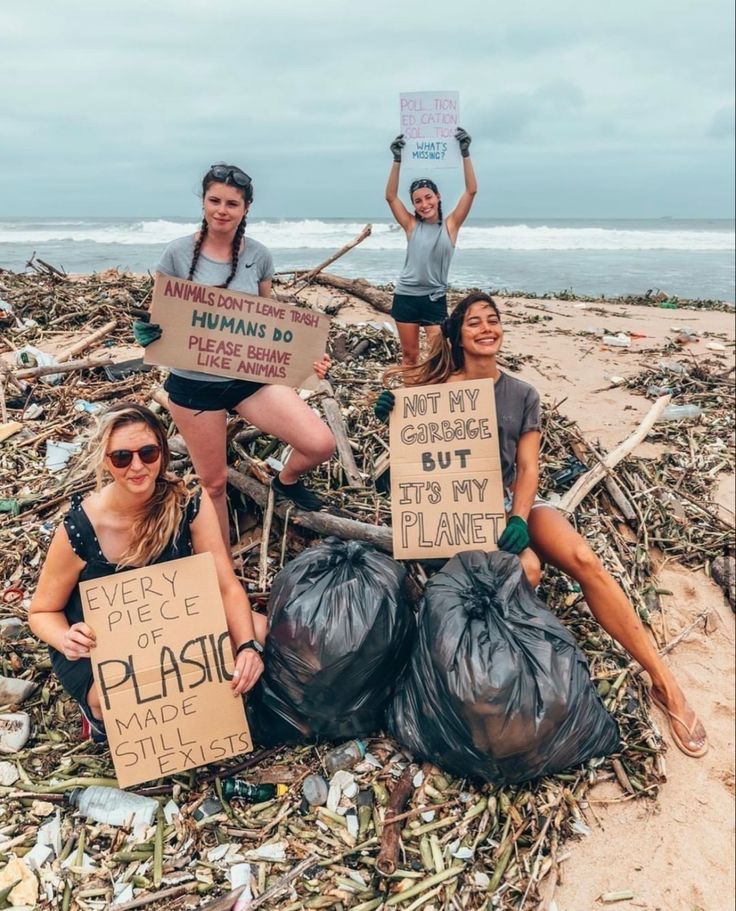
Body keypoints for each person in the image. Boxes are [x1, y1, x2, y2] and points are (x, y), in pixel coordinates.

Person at [374, 292, 708, 759]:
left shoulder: (522, 393)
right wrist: (394, 411)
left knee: (582, 558)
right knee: (526, 569)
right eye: (474, 323)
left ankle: (663, 682)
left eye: (493, 320)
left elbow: (528, 468)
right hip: (461, 513)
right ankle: (513, 669)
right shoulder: (434, 393)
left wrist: (517, 517)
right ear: (456, 336)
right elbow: (412, 469)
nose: (487, 328)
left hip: (513, 502)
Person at [28, 403, 267, 742]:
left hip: (175, 630)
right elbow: (41, 611)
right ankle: (97, 715)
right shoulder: (79, 530)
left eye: (148, 453)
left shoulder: (187, 505)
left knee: (260, 630)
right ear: (105, 461)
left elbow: (226, 584)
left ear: (163, 453)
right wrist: (65, 638)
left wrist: (247, 648)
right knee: (124, 696)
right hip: (102, 653)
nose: (137, 466)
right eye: (122, 457)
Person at [134, 163, 335, 543]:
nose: (221, 210)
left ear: (246, 209)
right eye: (214, 200)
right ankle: (221, 563)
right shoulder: (177, 253)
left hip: (249, 379)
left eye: (232, 203)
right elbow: (159, 316)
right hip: (195, 387)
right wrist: (148, 334)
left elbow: (270, 324)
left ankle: (285, 481)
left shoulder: (258, 256)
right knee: (214, 484)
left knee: (320, 443)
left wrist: (308, 361)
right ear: (204, 202)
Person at [385, 128, 477, 366]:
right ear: (414, 206)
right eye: (418, 200)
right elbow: (391, 197)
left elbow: (471, 190)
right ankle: (411, 399)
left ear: (438, 197)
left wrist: (465, 153)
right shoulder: (411, 225)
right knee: (410, 356)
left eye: (428, 197)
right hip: (406, 297)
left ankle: (435, 398)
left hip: (434, 299)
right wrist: (397, 160)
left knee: (438, 357)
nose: (424, 204)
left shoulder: (451, 225)